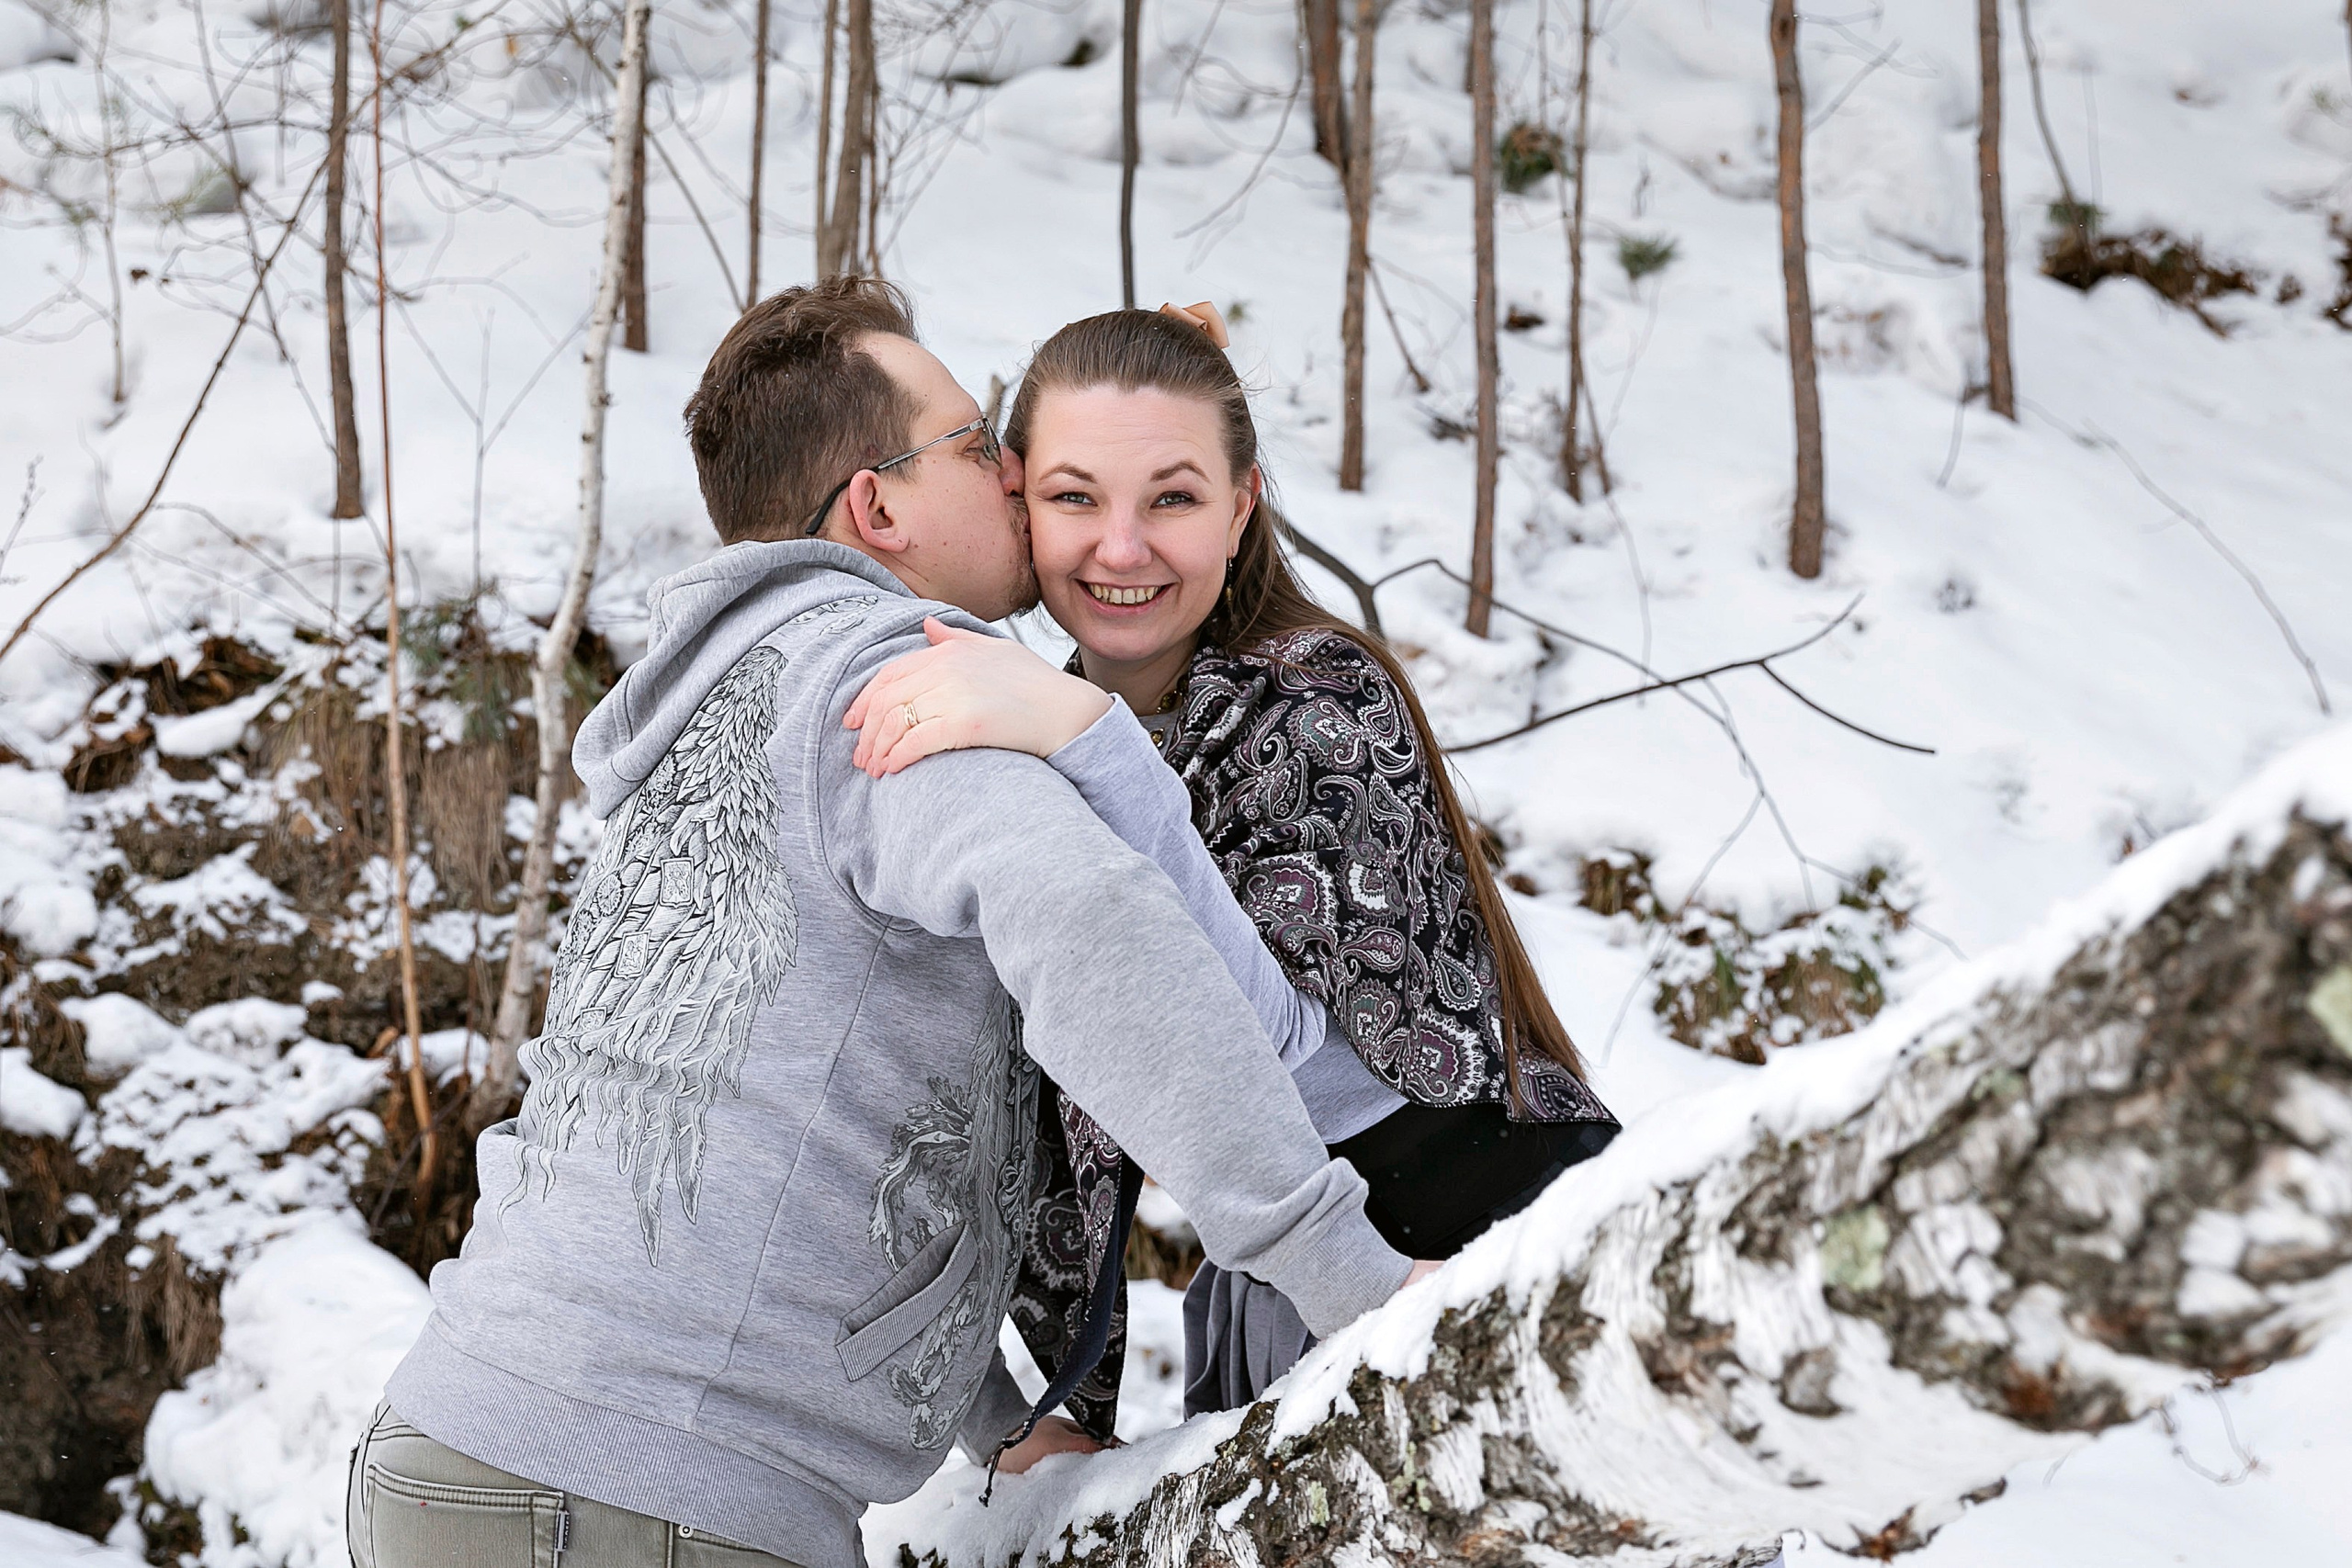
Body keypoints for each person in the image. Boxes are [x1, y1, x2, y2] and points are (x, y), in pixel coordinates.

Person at [350, 279, 1429, 1568]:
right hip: (646, 1501)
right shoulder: (894, 685)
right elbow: (1093, 918)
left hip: (455, 1453)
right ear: (877, 507)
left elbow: (792, 1128)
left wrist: (995, 1418)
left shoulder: (720, 711)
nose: (1013, 473)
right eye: (976, 444)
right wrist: (1357, 1282)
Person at [846, 303, 1621, 1420]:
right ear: (1019, 505)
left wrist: (1088, 740)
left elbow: (1276, 1064)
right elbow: (953, 1113)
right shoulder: (1034, 731)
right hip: (1294, 1298)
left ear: (1241, 505)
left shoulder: (1320, 700)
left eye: (1173, 498)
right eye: (1074, 498)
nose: (1122, 549)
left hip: (1497, 1244)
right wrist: (1011, 1421)